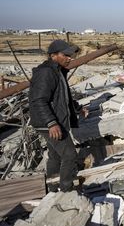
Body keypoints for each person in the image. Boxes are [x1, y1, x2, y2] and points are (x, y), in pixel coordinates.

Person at [29, 39, 85, 192]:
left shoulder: (58, 71)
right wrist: (51, 123)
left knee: (55, 155)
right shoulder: (46, 72)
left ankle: (53, 188)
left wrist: (77, 108)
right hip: (49, 122)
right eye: (65, 55)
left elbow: (62, 97)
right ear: (53, 55)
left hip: (53, 121)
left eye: (70, 55)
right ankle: (66, 189)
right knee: (70, 154)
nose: (70, 58)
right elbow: (38, 100)